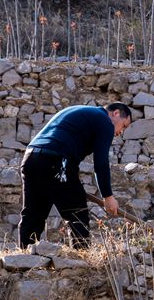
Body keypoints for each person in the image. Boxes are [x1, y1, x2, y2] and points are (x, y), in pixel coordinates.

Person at [19, 102, 131, 249]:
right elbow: (101, 163)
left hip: (31, 159)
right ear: (116, 113)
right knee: (77, 211)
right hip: (56, 160)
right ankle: (81, 259)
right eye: (124, 126)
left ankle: (24, 258)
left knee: (33, 214)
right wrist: (108, 197)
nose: (120, 132)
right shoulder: (104, 121)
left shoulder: (80, 111)